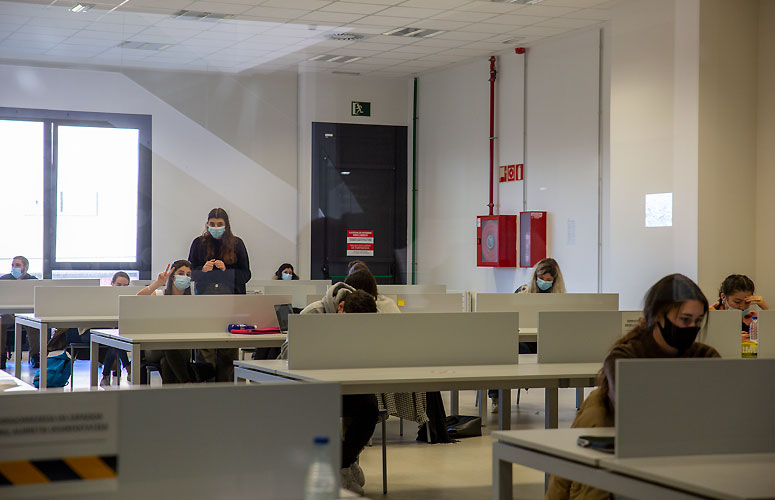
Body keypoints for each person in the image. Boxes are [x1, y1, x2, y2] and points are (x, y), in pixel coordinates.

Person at [545, 274, 721, 500]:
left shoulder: (704, 357)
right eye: (685, 319)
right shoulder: (624, 359)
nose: (692, 327)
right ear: (658, 316)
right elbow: (636, 415)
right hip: (622, 460)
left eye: (697, 321)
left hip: (687, 458)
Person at [188, 208, 251, 382]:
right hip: (205, 303)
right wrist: (202, 270)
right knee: (205, 349)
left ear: (226, 225)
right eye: (212, 224)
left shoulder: (237, 244)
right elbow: (189, 274)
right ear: (207, 224)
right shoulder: (198, 243)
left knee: (228, 350)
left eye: (219, 224)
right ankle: (206, 390)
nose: (215, 228)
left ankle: (226, 391)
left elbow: (246, 275)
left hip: (231, 303)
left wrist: (226, 270)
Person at [337, 290, 380, 495]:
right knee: (320, 409)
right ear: (340, 309)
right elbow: (288, 352)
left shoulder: (365, 319)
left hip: (350, 383)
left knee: (370, 408)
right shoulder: (314, 314)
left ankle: (344, 462)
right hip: (311, 387)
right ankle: (342, 465)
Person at [136, 261, 194, 384]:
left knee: (166, 362)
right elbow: (136, 300)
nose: (185, 277)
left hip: (182, 346)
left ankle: (171, 396)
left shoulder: (191, 301)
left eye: (188, 274)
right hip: (156, 346)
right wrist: (158, 283)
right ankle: (187, 383)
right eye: (181, 273)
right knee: (170, 347)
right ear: (173, 276)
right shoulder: (160, 295)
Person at [0, 256, 38, 369]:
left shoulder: (33, 281)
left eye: (17, 265)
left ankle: (36, 356)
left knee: (36, 325)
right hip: (8, 314)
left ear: (25, 267)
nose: (14, 267)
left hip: (27, 315)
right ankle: (1, 357)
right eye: (13, 265)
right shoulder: (4, 280)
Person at [709, 274, 770, 338]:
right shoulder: (710, 314)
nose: (742, 307)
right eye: (737, 302)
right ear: (723, 297)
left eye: (747, 302)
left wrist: (765, 307)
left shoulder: (752, 318)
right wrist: (732, 337)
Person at [100, 271, 132, 387]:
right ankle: (129, 369)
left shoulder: (129, 300)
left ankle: (105, 376)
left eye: (125, 286)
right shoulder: (102, 297)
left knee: (115, 341)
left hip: (116, 332)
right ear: (112, 284)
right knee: (116, 340)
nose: (122, 288)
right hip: (97, 330)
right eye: (119, 285)